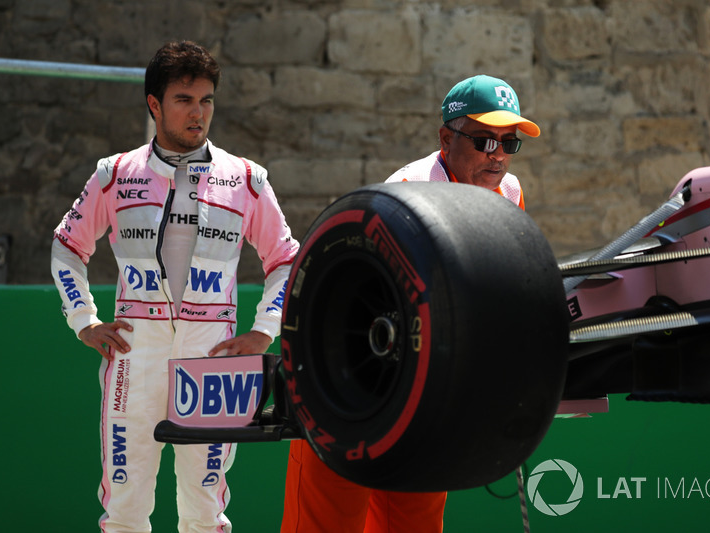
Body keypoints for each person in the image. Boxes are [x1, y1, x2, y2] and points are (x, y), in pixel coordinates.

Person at [51, 40, 299, 533]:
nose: (198, 113)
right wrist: (84, 320)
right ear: (154, 105)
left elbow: (287, 260)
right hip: (133, 354)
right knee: (123, 511)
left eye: (206, 100)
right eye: (184, 100)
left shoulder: (246, 179)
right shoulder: (115, 174)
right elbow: (66, 248)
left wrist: (265, 330)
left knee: (205, 512)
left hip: (215, 357)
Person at [280, 74, 540, 533]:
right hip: (344, 394)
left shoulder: (509, 193)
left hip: (418, 405)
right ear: (446, 137)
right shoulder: (406, 195)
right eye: (483, 140)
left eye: (508, 142)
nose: (496, 154)